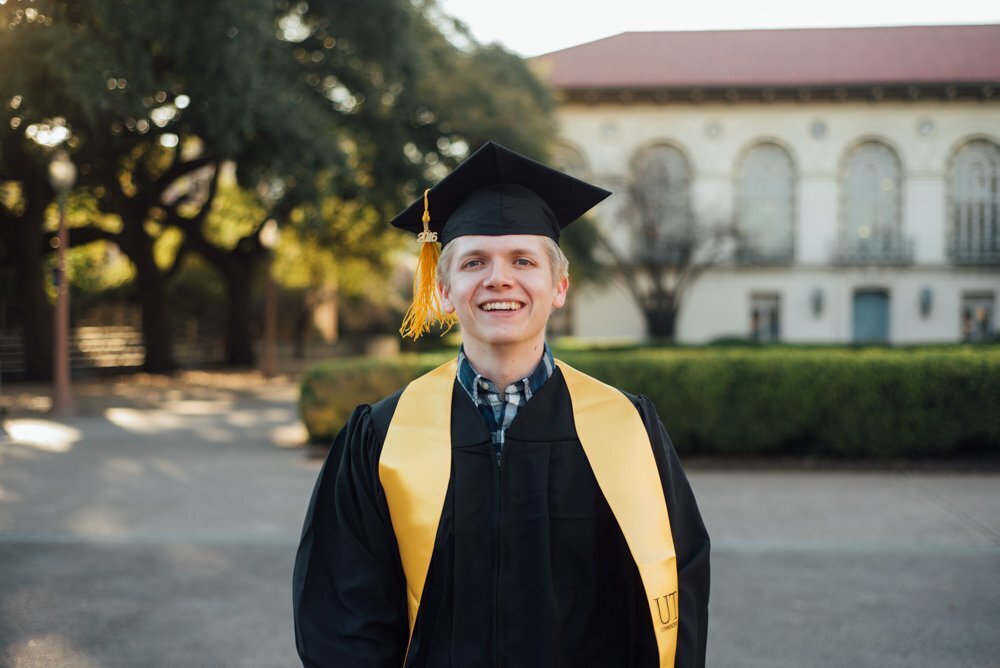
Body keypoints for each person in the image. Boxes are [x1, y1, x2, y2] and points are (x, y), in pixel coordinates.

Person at [293, 142, 710, 667]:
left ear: (559, 287)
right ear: (444, 290)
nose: (498, 279)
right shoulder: (384, 436)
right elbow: (343, 613)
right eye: (474, 262)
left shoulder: (625, 430)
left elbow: (673, 592)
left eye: (522, 260)